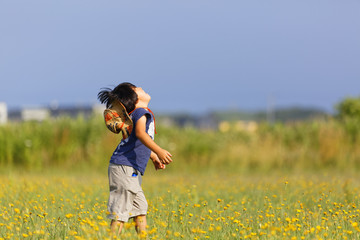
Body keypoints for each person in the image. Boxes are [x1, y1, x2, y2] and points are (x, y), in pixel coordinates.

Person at [97, 82, 173, 236]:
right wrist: (159, 150)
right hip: (124, 168)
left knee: (140, 209)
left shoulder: (138, 114)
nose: (142, 88)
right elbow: (140, 134)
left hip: (127, 168)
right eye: (138, 89)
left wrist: (153, 157)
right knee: (120, 210)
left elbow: (137, 142)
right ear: (134, 99)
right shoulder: (141, 113)